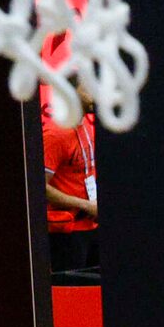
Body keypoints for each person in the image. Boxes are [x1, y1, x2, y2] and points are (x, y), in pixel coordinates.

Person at [42, 88, 100, 275]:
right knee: (72, 294)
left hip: (91, 226)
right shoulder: (55, 135)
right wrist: (84, 205)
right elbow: (38, 188)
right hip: (67, 232)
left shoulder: (85, 125)